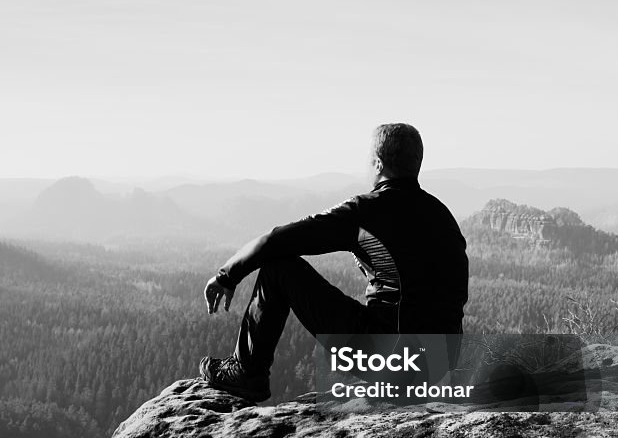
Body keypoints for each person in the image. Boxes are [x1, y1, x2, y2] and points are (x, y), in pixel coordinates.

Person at [199, 123, 468, 402]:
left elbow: (277, 240)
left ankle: (247, 373)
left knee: (279, 268)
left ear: (377, 163)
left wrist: (226, 276)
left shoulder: (366, 211)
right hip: (440, 366)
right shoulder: (443, 216)